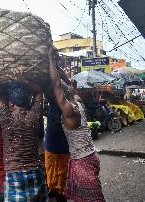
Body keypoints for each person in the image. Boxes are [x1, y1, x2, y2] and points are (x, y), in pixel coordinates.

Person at [48, 41, 105, 202]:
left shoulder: (68, 109)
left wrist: (50, 60)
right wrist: (58, 64)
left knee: (93, 198)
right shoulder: (78, 100)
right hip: (91, 156)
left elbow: (56, 84)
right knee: (87, 196)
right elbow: (65, 83)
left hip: (82, 161)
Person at [0, 65, 47, 201]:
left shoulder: (6, 118)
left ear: (11, 104)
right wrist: (23, 80)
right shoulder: (35, 115)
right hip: (36, 173)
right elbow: (40, 91)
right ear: (27, 101)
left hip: (15, 175)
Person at [44, 93, 70, 202]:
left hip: (60, 144)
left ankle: (57, 192)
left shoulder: (65, 106)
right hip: (57, 144)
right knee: (57, 170)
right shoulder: (65, 105)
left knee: (55, 170)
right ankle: (57, 191)